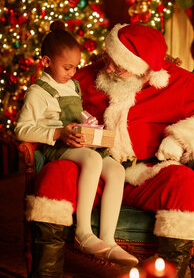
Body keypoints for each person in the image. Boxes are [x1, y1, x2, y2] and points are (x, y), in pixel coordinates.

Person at [21, 23, 194, 278]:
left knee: (186, 182)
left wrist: (180, 139)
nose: (107, 67)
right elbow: (49, 96)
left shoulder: (179, 83)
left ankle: (168, 273)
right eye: (108, 58)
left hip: (146, 174)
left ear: (142, 68)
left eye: (118, 65)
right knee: (57, 173)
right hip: (96, 173)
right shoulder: (87, 76)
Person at [15, 20, 139, 275]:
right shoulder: (37, 92)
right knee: (92, 161)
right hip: (57, 147)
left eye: (75, 67)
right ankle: (83, 232)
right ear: (46, 62)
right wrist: (58, 132)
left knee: (115, 170)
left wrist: (88, 125)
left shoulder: (71, 84)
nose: (73, 73)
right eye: (67, 67)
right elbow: (22, 129)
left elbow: (74, 112)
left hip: (80, 140)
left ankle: (107, 238)